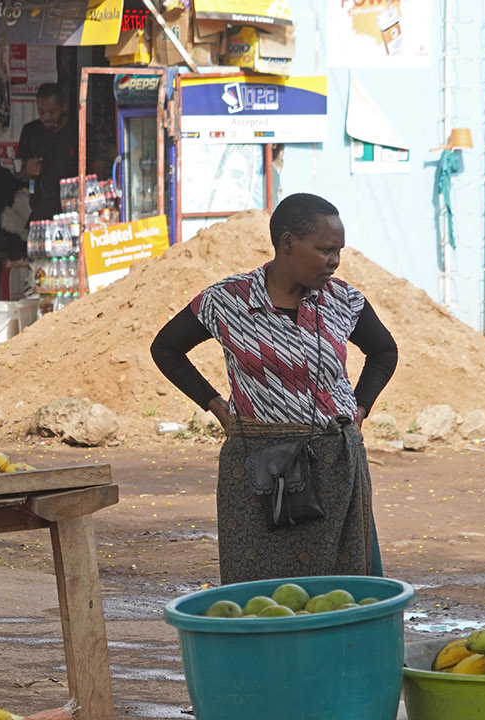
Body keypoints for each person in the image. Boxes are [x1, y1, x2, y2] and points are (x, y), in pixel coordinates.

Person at [150, 193, 400, 584]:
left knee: (340, 586)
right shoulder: (227, 300)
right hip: (259, 469)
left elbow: (384, 351)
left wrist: (361, 409)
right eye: (324, 249)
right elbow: (165, 348)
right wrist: (217, 407)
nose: (334, 261)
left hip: (335, 465)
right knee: (260, 589)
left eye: (339, 251)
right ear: (287, 244)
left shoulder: (343, 301)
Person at [18, 82, 78, 224]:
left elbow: (95, 170)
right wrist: (27, 168)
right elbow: (18, 171)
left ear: (64, 106)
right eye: (42, 112)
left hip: (73, 212)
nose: (46, 117)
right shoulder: (30, 131)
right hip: (41, 212)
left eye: (52, 112)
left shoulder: (78, 131)